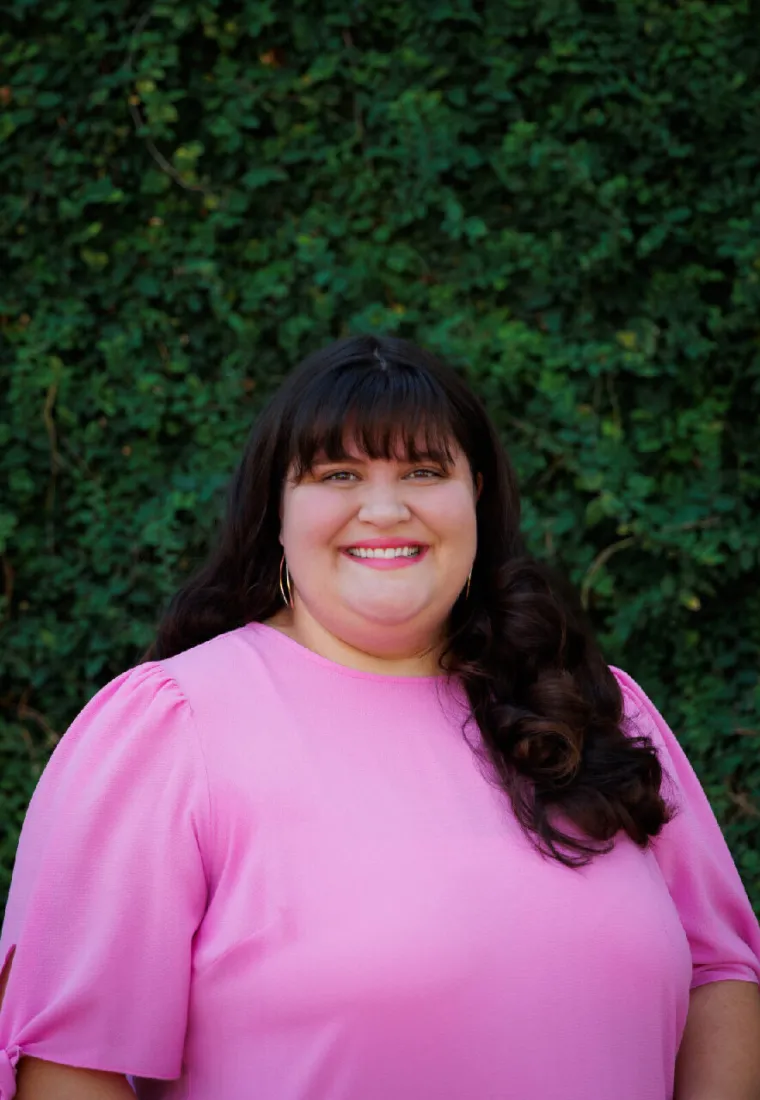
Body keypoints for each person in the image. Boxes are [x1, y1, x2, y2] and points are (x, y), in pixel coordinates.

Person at [1, 334, 759, 1100]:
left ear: (477, 495)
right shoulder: (174, 729)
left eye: (424, 471)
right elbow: (69, 1064)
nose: (387, 508)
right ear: (275, 512)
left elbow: (721, 974)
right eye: (340, 474)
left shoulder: (599, 707)